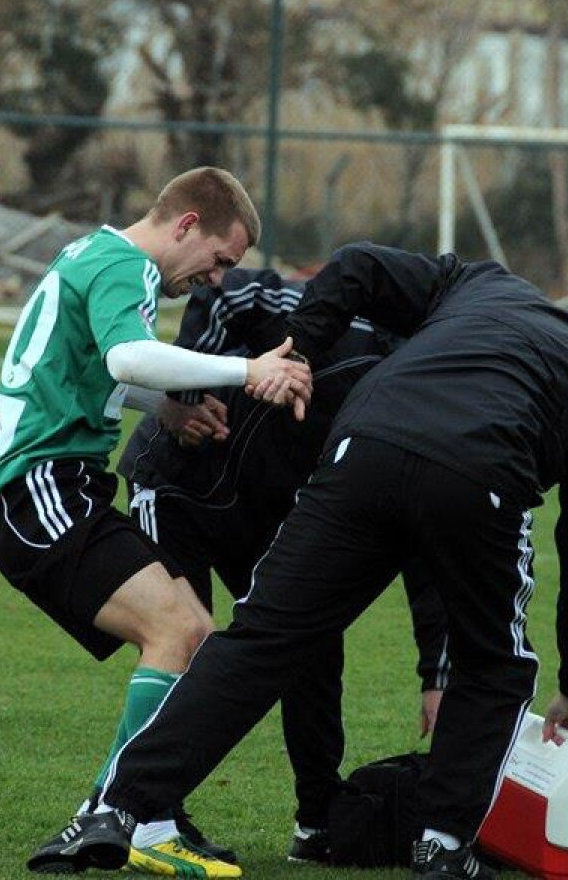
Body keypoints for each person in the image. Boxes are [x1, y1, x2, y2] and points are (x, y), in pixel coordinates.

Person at [25, 242, 568, 880]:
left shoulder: (485, 284)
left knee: (263, 640)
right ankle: (443, 845)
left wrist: (300, 353)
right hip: (481, 473)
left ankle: (117, 807)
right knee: (496, 666)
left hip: (362, 445)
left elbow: (358, 265)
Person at [0, 167, 311, 878]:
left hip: (50, 490)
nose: (216, 280)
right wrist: (247, 370)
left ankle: (138, 812)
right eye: (220, 259)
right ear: (187, 223)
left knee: (193, 633)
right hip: (40, 491)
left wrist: (165, 409)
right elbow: (128, 355)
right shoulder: (126, 264)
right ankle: (120, 812)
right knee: (180, 630)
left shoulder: (94, 254)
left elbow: (97, 369)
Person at [118, 266, 452, 863]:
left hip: (272, 517)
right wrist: (186, 398)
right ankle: (140, 811)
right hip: (175, 486)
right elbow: (225, 290)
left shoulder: (427, 410)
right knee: (185, 639)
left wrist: (437, 673)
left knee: (313, 645)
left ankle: (317, 819)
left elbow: (425, 538)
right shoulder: (338, 331)